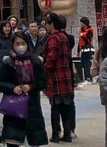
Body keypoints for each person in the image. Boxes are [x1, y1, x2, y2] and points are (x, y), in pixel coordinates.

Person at [0, 31, 48, 147]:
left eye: (23, 43)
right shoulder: (7, 62)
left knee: (34, 140)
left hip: (33, 106)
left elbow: (42, 82)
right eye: (17, 44)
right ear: (12, 45)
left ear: (27, 44)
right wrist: (12, 88)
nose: (20, 46)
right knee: (13, 140)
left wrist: (30, 86)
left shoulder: (36, 61)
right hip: (14, 106)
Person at [42, 12, 74, 143]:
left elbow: (51, 59)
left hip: (55, 78)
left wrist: (44, 71)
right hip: (65, 76)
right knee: (66, 108)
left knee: (55, 107)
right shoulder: (64, 37)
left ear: (52, 24)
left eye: (47, 24)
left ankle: (55, 134)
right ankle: (67, 133)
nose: (46, 27)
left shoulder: (53, 38)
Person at [78, 17, 95, 83]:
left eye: (81, 23)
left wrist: (83, 36)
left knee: (87, 63)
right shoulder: (81, 30)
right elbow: (80, 41)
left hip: (88, 48)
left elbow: (89, 40)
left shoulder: (90, 29)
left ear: (85, 23)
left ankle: (88, 78)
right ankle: (86, 77)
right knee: (83, 64)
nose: (81, 24)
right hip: (82, 49)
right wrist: (78, 50)